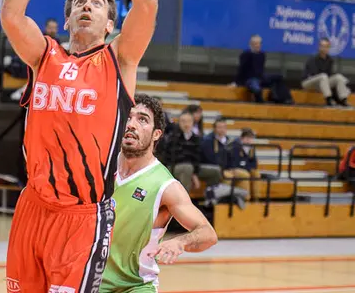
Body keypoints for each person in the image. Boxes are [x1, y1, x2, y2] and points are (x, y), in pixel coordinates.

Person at [2, 0, 158, 292]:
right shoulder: (44, 56)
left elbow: (147, 3)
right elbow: (11, 16)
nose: (87, 5)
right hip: (33, 207)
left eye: (98, 3)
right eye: (79, 3)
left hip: (83, 216)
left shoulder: (119, 60)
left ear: (110, 25)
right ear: (67, 20)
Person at [101, 94, 217, 292]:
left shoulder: (165, 185)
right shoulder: (100, 166)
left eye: (142, 119)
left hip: (135, 285)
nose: (131, 124)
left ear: (156, 134)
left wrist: (180, 242)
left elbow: (208, 234)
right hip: (91, 281)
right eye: (128, 117)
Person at [232, 35, 292, 104]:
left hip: (260, 77)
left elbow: (261, 69)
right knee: (257, 88)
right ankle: (260, 102)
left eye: (259, 43)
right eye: (255, 43)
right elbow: (241, 69)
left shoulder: (262, 54)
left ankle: (282, 98)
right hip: (250, 79)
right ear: (251, 44)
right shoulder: (245, 54)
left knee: (279, 77)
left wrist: (263, 77)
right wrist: (236, 82)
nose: (258, 45)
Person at [302, 38, 352, 108]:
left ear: (329, 48)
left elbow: (329, 76)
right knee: (323, 76)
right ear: (319, 47)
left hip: (322, 82)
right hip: (308, 82)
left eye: (326, 46)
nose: (324, 48)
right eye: (322, 46)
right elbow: (315, 74)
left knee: (339, 77)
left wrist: (342, 84)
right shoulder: (313, 58)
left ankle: (343, 100)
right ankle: (328, 100)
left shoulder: (330, 60)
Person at [164, 107, 202, 195]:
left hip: (190, 167)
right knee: (187, 168)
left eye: (188, 121)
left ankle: (211, 199)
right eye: (183, 121)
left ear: (193, 122)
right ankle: (184, 200)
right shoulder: (173, 137)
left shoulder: (196, 138)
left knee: (215, 171)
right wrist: (193, 173)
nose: (186, 124)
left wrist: (195, 173)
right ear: (179, 123)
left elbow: (197, 157)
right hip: (173, 167)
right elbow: (173, 158)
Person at [224, 128, 257, 199]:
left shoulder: (251, 148)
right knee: (245, 174)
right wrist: (247, 166)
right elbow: (235, 164)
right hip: (232, 169)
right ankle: (246, 198)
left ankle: (256, 198)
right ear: (242, 138)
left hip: (244, 168)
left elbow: (254, 164)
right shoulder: (235, 146)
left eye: (251, 138)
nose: (249, 141)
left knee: (256, 173)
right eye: (247, 138)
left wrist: (247, 167)